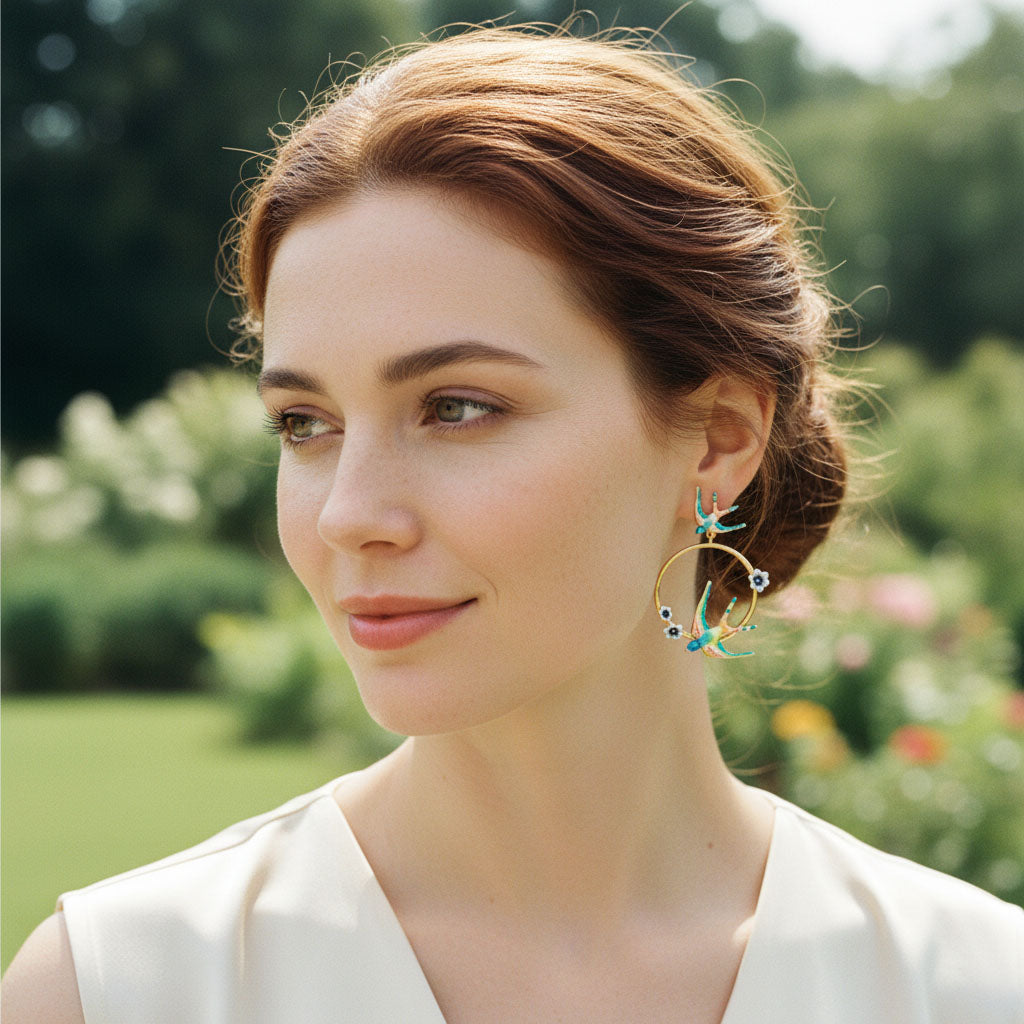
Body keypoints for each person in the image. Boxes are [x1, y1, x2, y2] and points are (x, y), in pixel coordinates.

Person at [3, 20, 1021, 1024]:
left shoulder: (969, 988)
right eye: (303, 423)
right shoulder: (120, 990)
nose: (351, 515)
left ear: (715, 437)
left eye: (457, 406)